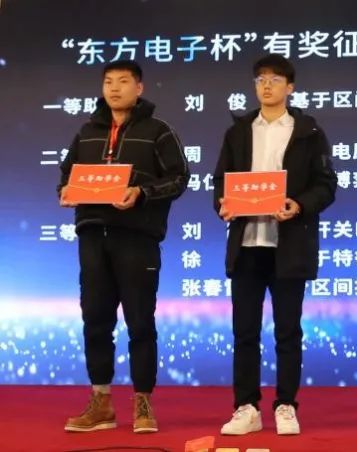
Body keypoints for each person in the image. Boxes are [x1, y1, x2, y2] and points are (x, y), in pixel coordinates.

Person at [59, 59, 190, 434]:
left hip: (137, 236)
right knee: (95, 320)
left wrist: (141, 192)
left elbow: (179, 177)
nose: (114, 88)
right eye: (108, 82)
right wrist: (65, 191)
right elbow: (66, 174)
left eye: (123, 81)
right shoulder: (87, 132)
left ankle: (143, 401)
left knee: (140, 321)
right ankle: (101, 402)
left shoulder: (158, 131)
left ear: (139, 88)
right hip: (92, 236)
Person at [214, 54, 337, 436]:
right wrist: (223, 204)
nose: (266, 86)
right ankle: (246, 407)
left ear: (290, 87)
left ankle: (286, 405)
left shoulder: (309, 131)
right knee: (244, 332)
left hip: (289, 245)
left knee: (288, 330)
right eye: (260, 79)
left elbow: (325, 185)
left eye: (275, 79)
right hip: (247, 244)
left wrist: (298, 204)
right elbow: (221, 181)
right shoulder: (238, 131)